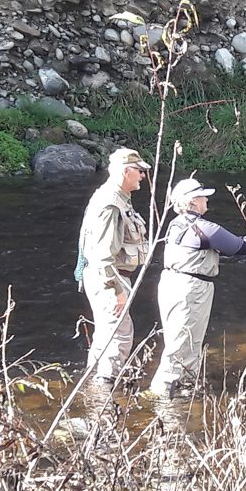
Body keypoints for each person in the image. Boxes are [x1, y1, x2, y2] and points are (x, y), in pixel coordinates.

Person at [147, 177, 246, 397]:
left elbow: (229, 244)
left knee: (181, 339)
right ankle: (165, 395)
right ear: (193, 201)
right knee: (183, 342)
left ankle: (186, 388)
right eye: (203, 196)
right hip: (191, 290)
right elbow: (238, 247)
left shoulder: (176, 224)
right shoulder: (205, 228)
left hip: (171, 284)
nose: (207, 199)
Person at [77, 147, 151, 383]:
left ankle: (93, 390)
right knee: (120, 336)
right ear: (125, 172)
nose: (142, 176)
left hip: (109, 277)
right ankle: (105, 397)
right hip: (109, 279)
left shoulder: (116, 198)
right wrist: (116, 289)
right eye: (139, 171)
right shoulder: (110, 205)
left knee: (105, 337)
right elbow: (101, 254)